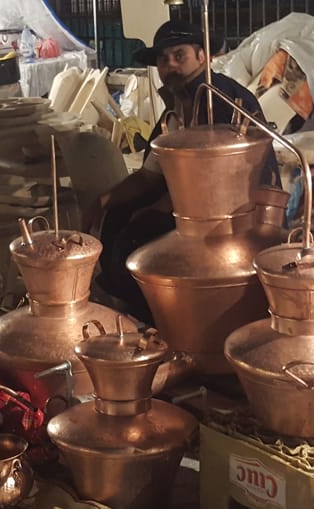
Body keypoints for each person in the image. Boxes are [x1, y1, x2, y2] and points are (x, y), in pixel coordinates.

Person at [91, 20, 278, 322]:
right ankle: (131, 314)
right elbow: (150, 174)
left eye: (180, 56)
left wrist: (158, 208)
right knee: (116, 217)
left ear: (202, 56)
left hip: (233, 212)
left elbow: (215, 179)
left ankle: (162, 322)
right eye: (164, 60)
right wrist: (105, 200)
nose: (171, 66)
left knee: (138, 237)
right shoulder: (175, 107)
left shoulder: (221, 100)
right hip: (187, 205)